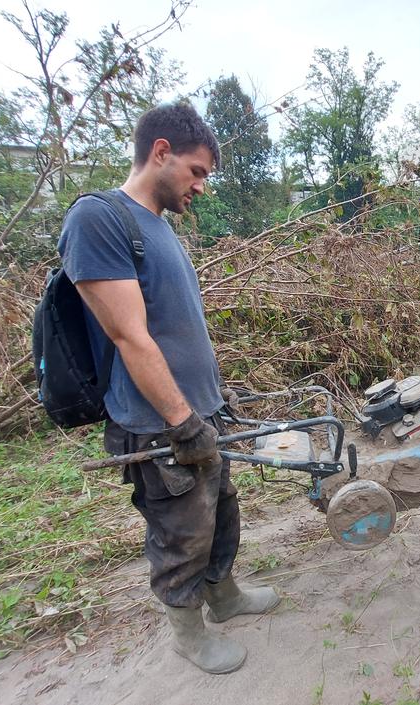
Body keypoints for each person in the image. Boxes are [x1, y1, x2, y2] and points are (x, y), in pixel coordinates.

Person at [58, 102, 279, 674]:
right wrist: (182, 421)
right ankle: (187, 631)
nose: (201, 187)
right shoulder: (100, 218)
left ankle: (224, 596)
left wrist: (209, 404)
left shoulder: (156, 225)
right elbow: (129, 336)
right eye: (197, 171)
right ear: (160, 152)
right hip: (159, 421)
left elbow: (176, 325)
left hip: (199, 409)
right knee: (182, 529)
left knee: (220, 510)